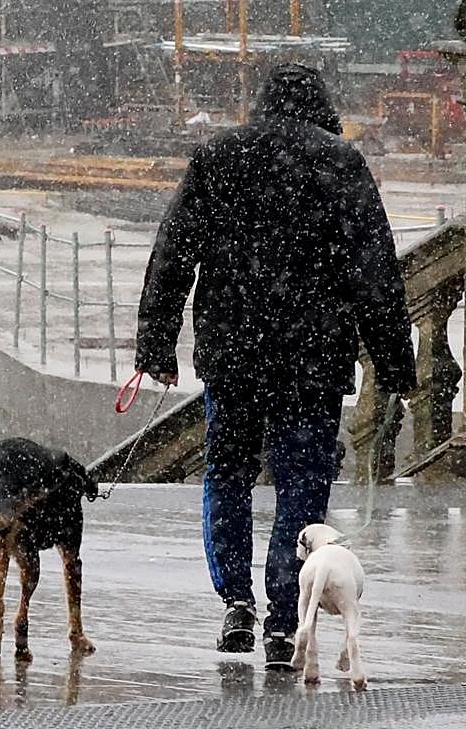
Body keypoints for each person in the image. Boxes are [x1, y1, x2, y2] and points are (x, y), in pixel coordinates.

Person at [134, 63, 416, 671]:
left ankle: (236, 600)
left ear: (262, 102)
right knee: (302, 486)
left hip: (234, 353)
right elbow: (375, 273)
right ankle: (287, 619)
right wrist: (395, 363)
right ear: (322, 105)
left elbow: (172, 254)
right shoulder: (341, 164)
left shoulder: (219, 157)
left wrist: (154, 347)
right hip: (313, 358)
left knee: (227, 473)